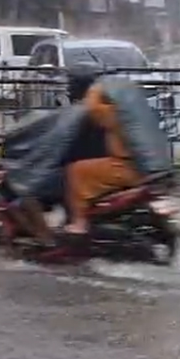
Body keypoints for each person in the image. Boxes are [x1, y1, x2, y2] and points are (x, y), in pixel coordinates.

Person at [61, 65, 146, 235]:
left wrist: (95, 89)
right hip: (142, 164)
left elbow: (92, 108)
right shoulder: (130, 108)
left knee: (75, 171)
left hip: (126, 166)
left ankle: (80, 222)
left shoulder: (108, 112)